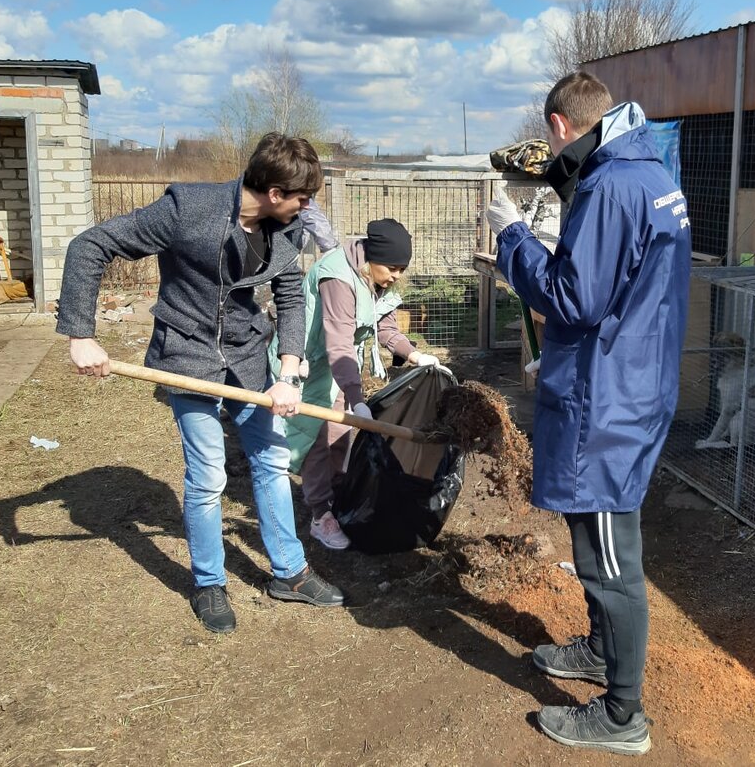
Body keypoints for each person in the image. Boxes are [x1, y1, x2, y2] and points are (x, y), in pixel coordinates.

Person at [58, 133, 346, 635]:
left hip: (249, 356)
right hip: (186, 354)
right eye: (302, 197)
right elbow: (91, 246)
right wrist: (81, 334)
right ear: (274, 192)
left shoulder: (287, 228)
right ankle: (210, 582)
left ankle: (290, 573)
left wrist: (290, 368)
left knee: (272, 462)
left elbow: (290, 297)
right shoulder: (187, 208)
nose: (308, 207)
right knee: (209, 475)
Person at [485, 71, 691, 755]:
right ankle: (603, 653)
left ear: (560, 126)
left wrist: (514, 238)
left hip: (608, 407)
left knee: (609, 560)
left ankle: (622, 716)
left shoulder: (609, 187)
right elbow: (622, 294)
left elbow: (573, 299)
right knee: (595, 540)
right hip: (627, 379)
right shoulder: (647, 173)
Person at [276, 217, 447, 550]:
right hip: (307, 363)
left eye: (402, 268)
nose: (397, 275)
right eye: (393, 267)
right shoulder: (338, 277)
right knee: (316, 441)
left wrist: (413, 355)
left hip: (338, 367)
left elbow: (386, 328)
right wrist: (357, 397)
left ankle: (338, 495)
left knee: (338, 437)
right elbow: (338, 342)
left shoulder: (377, 277)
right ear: (373, 259)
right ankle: (320, 516)